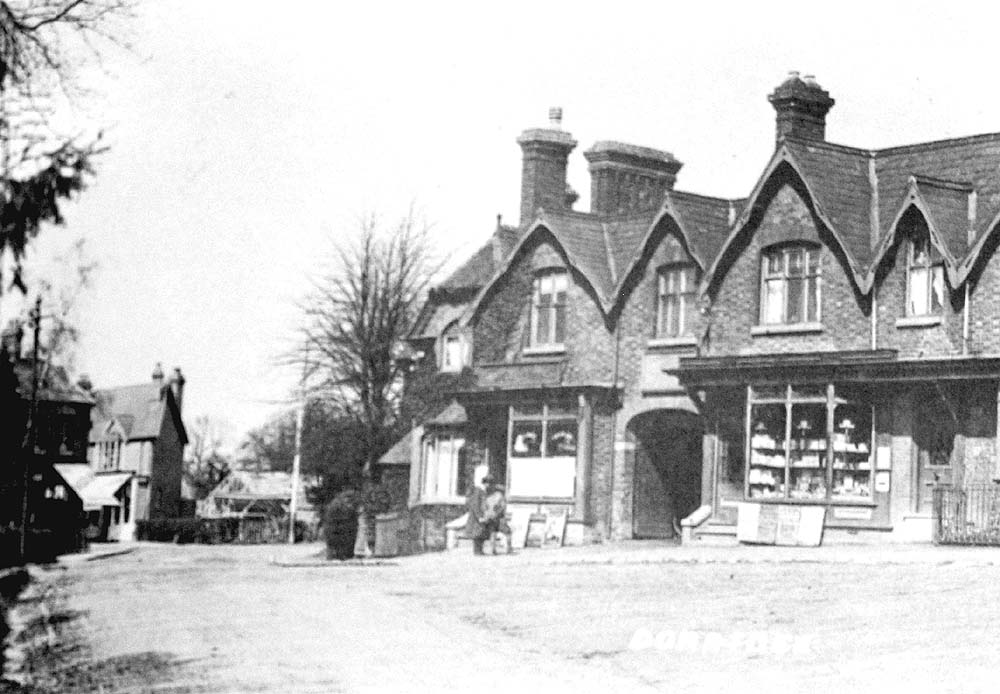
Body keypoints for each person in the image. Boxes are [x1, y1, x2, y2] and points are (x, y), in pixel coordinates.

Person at [483, 479, 513, 555]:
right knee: (507, 532)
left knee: (493, 533)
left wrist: (487, 514)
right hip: (499, 517)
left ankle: (493, 550)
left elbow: (484, 507)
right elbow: (503, 507)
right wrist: (496, 514)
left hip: (491, 516)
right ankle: (508, 549)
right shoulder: (499, 495)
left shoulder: (486, 496)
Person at [466, 474, 491, 555]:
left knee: (481, 532)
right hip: (476, 516)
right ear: (485, 483)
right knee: (477, 533)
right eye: (488, 483)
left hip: (482, 514)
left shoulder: (483, 491)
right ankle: (477, 551)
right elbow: (475, 504)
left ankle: (480, 550)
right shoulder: (478, 491)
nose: (489, 486)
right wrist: (479, 516)